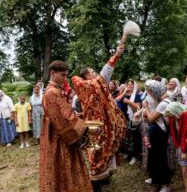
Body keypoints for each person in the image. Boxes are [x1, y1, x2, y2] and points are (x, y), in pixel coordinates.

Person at [72, 45, 126, 184]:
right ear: (86, 76)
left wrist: (117, 56)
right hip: (94, 124)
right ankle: (95, 178)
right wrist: (116, 56)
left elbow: (104, 75)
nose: (96, 73)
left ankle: (104, 175)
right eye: (92, 71)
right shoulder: (88, 85)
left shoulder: (94, 85)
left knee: (106, 146)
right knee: (97, 149)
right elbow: (105, 73)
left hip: (101, 122)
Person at [40, 60, 92, 192]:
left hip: (58, 133)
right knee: (62, 163)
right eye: (62, 75)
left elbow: (65, 112)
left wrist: (76, 116)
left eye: (66, 75)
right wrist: (84, 127)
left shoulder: (54, 90)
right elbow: (62, 119)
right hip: (59, 136)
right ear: (53, 73)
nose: (65, 78)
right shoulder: (52, 92)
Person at [144, 80, 171, 192]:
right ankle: (156, 179)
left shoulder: (163, 103)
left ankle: (166, 185)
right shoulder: (159, 101)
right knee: (154, 157)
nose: (148, 93)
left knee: (160, 158)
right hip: (156, 131)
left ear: (156, 90)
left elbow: (151, 118)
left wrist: (146, 107)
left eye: (150, 90)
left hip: (160, 133)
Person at [165, 102, 187, 192]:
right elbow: (174, 133)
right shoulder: (174, 118)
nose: (171, 118)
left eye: (172, 116)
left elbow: (186, 134)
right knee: (184, 172)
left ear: (175, 111)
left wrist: (183, 151)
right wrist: (178, 148)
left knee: (185, 172)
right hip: (181, 145)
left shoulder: (186, 116)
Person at [116, 79, 142, 165]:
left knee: (135, 138)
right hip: (125, 119)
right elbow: (115, 101)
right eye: (128, 84)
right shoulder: (125, 94)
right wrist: (124, 94)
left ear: (134, 86)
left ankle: (135, 156)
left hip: (134, 120)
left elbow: (138, 108)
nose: (130, 86)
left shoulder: (137, 95)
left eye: (131, 84)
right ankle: (129, 153)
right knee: (127, 138)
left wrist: (129, 102)